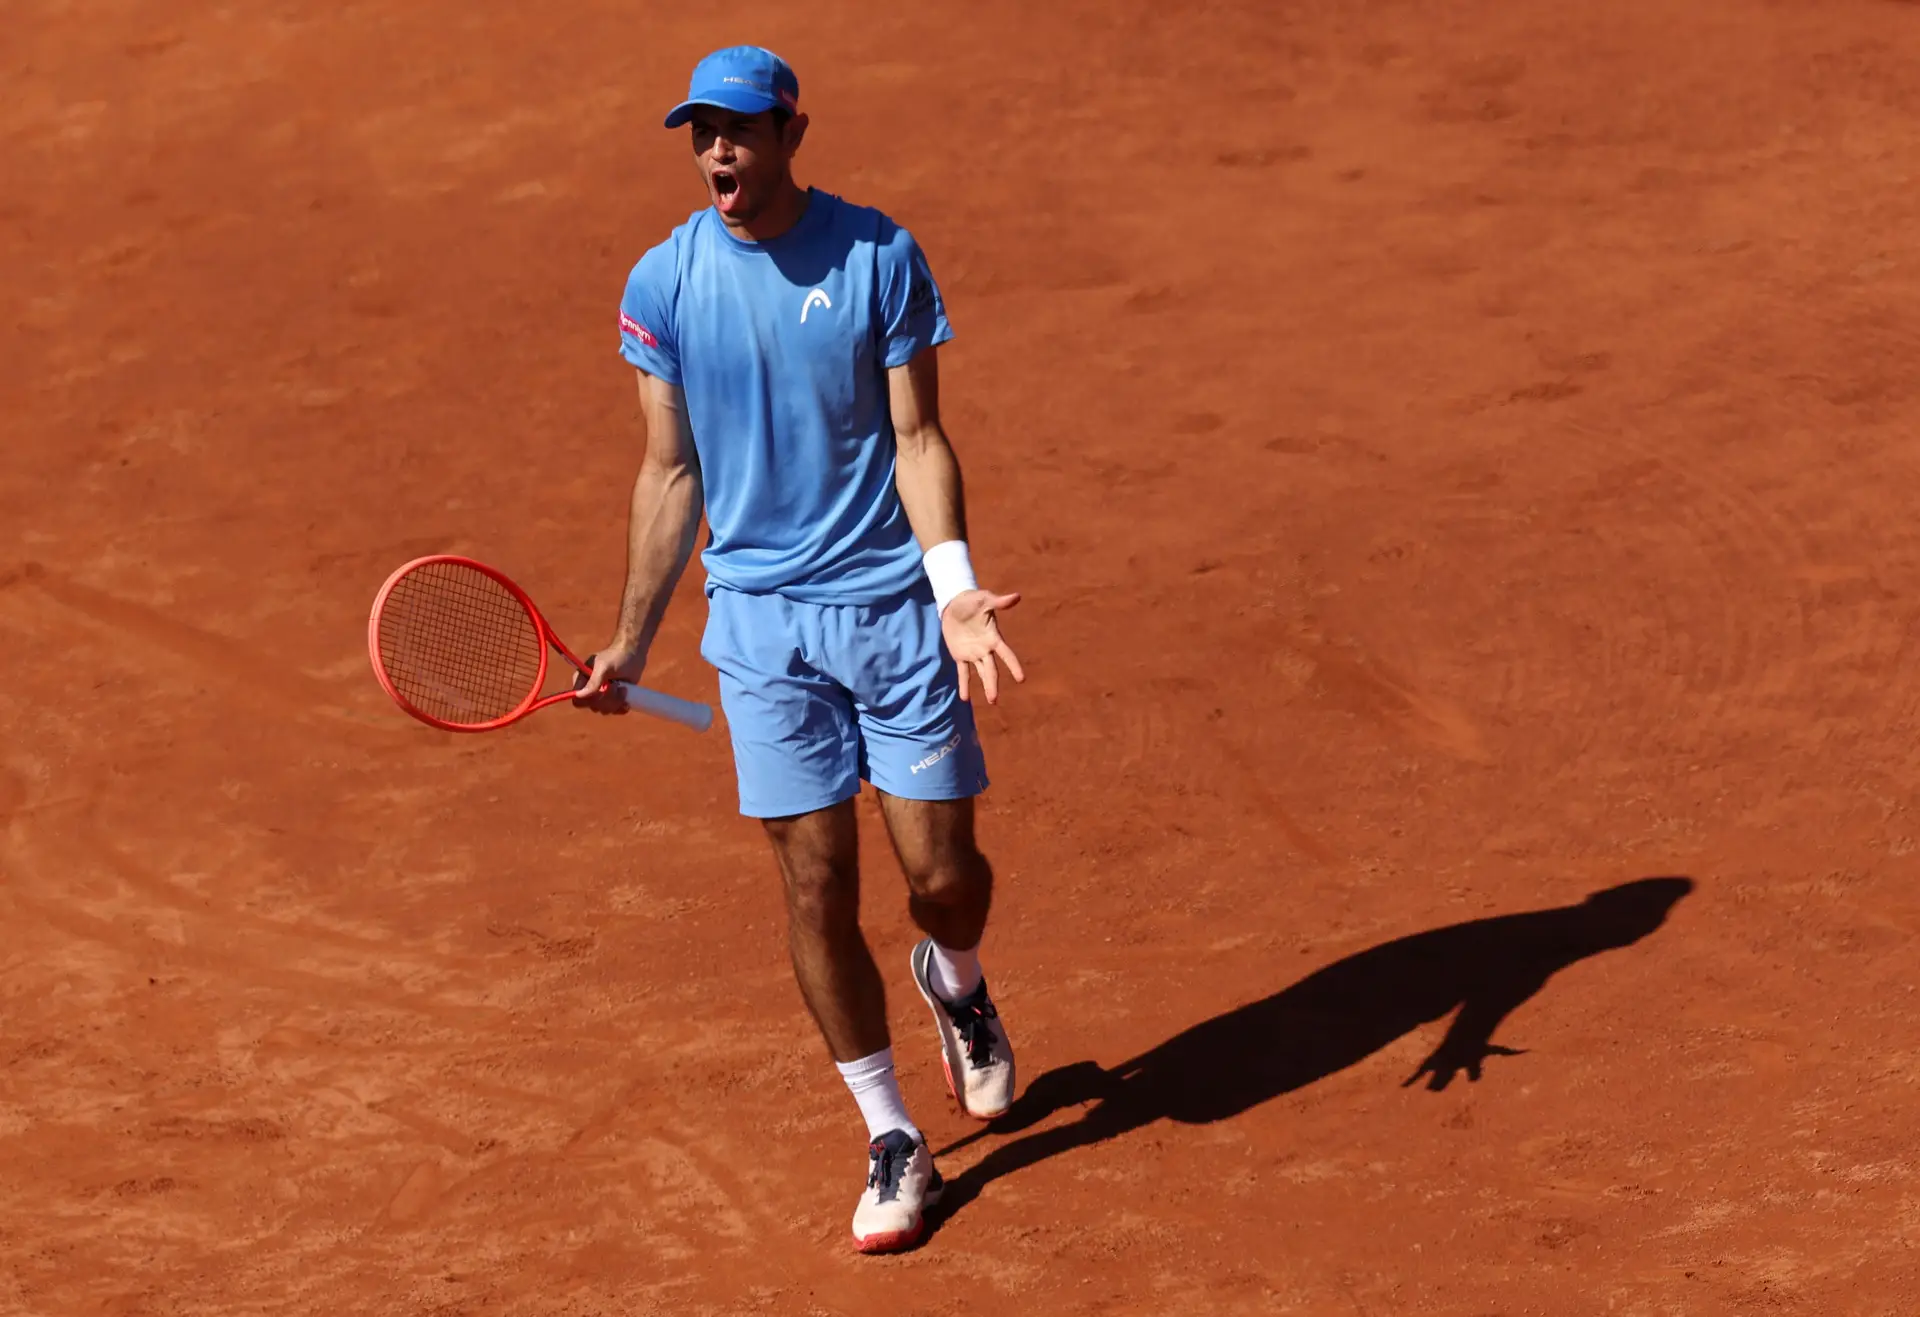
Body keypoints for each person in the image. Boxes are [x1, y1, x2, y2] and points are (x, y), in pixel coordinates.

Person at [573, 45, 1024, 1254]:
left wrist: (956, 589)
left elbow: (919, 437)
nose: (718, 152)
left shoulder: (878, 252)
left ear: (790, 134)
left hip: (888, 610)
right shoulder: (665, 284)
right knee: (816, 884)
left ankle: (959, 983)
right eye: (700, 133)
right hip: (762, 628)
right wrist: (629, 638)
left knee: (944, 879)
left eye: (740, 130)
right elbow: (670, 473)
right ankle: (890, 1134)